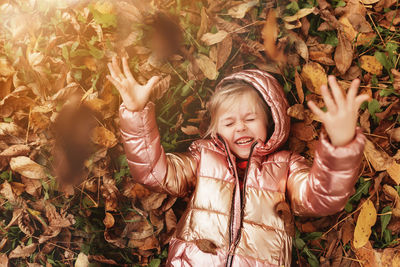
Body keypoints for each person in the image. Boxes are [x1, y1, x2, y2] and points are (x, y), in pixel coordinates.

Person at [107, 56, 369, 266]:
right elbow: (154, 173)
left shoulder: (286, 166)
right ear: (216, 130)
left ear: (270, 121)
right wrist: (135, 113)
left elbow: (321, 197)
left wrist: (340, 145)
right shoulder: (204, 157)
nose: (240, 128)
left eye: (250, 119)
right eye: (229, 122)